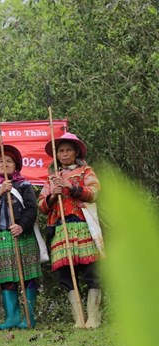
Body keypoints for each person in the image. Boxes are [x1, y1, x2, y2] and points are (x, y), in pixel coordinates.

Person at [38, 132, 103, 328]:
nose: (64, 154)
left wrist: (71, 186)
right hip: (60, 228)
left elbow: (95, 193)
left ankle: (94, 317)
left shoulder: (86, 172)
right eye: (61, 151)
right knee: (66, 274)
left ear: (76, 152)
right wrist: (52, 196)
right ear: (56, 155)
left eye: (68, 150)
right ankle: (78, 319)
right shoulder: (51, 179)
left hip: (83, 226)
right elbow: (41, 205)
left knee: (91, 270)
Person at [0, 145, 42, 329]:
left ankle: (29, 318)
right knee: (7, 278)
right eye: (1, 161)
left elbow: (32, 209)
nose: (4, 164)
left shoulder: (24, 185)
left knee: (28, 276)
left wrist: (21, 225)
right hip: (0, 237)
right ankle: (12, 318)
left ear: (16, 165)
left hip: (22, 235)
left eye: (9, 161)